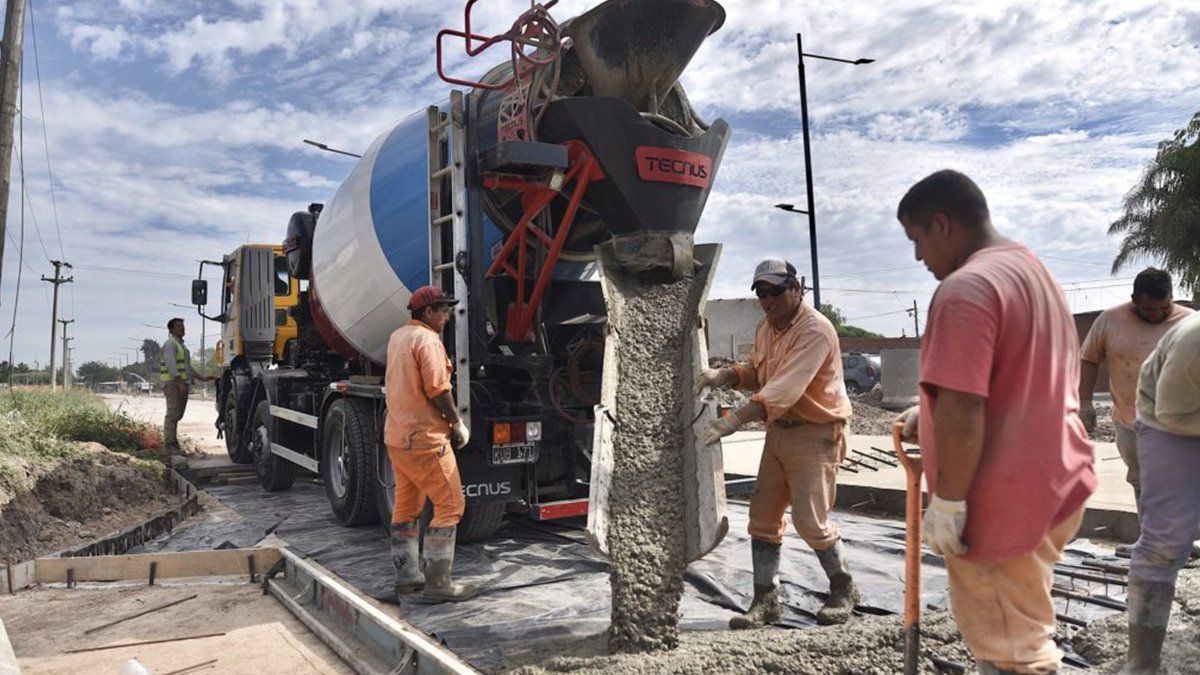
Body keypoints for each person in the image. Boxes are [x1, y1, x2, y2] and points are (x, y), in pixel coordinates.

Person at [893, 170, 1096, 674]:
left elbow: (965, 407)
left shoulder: (966, 289)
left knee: (1014, 653)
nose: (919, 257)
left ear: (941, 225)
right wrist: (931, 414)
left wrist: (950, 503)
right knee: (1018, 635)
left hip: (1003, 501)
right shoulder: (1031, 272)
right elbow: (1023, 375)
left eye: (917, 240)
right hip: (1053, 482)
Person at [698, 258, 858, 627]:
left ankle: (843, 588)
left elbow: (784, 387)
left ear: (796, 289)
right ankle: (766, 601)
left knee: (810, 520)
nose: (768, 300)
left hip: (816, 432)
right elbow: (758, 371)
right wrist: (724, 375)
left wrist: (735, 420)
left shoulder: (815, 330)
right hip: (780, 431)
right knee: (763, 516)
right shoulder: (766, 327)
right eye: (762, 293)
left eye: (776, 291)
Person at [384, 285, 476, 602]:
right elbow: (437, 389)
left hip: (398, 438)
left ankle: (408, 577)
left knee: (407, 507)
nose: (447, 317)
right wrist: (456, 422)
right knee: (451, 505)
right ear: (428, 313)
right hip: (426, 439)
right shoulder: (427, 340)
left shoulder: (398, 337)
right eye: (444, 311)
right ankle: (439, 585)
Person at [1122, 311, 1200, 673]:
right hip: (1170, 420)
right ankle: (1142, 663)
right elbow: (1172, 411)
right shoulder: (1194, 344)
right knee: (1166, 541)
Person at [1080, 268, 1193, 510]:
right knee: (1144, 483)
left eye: (1165, 308)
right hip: (1132, 423)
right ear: (1134, 300)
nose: (1157, 315)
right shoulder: (1110, 321)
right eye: (1150, 310)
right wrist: (1085, 402)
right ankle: (1151, 540)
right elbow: (1088, 359)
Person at [159, 318, 216, 463]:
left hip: (180, 383)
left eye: (183, 326)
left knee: (177, 414)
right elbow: (172, 365)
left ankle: (173, 442)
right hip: (173, 384)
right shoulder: (170, 344)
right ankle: (169, 445)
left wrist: (202, 378)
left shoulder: (181, 347)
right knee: (172, 414)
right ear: (171, 329)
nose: (182, 328)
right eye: (178, 326)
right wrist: (180, 383)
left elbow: (187, 367)